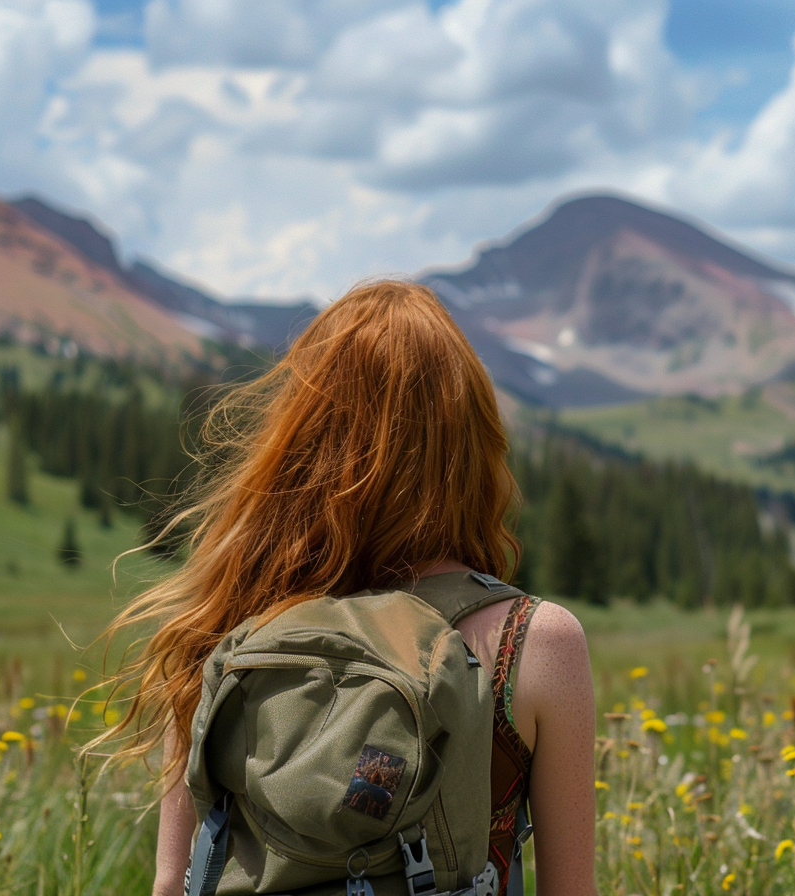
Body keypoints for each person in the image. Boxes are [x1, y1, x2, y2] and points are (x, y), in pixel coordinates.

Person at [91, 280, 598, 896]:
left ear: (299, 443)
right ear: (471, 443)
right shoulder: (533, 642)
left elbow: (173, 883)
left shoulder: (223, 628)